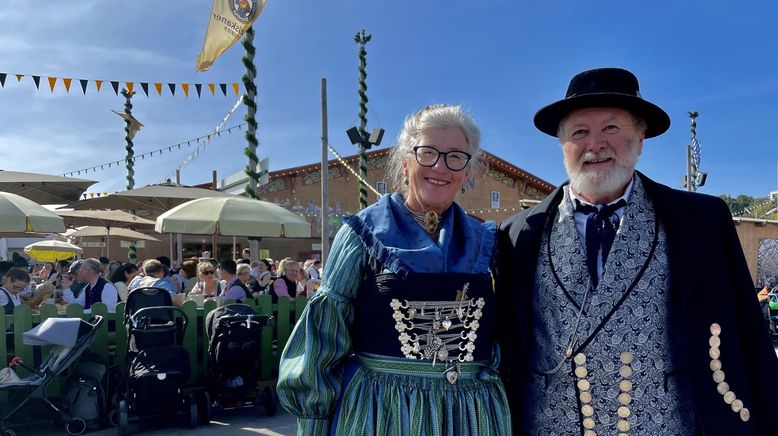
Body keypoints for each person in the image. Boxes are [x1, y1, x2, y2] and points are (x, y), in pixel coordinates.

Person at [495, 67, 778, 435]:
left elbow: (748, 334)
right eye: (580, 132)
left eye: (611, 128)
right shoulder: (518, 233)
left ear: (640, 137)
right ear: (562, 144)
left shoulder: (702, 220)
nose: (595, 144)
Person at [277, 104, 510, 435]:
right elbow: (325, 338)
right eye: (427, 153)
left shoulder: (488, 242)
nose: (440, 166)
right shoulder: (361, 235)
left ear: (467, 171)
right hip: (382, 413)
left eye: (455, 156)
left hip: (469, 414)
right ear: (405, 162)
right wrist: (313, 424)